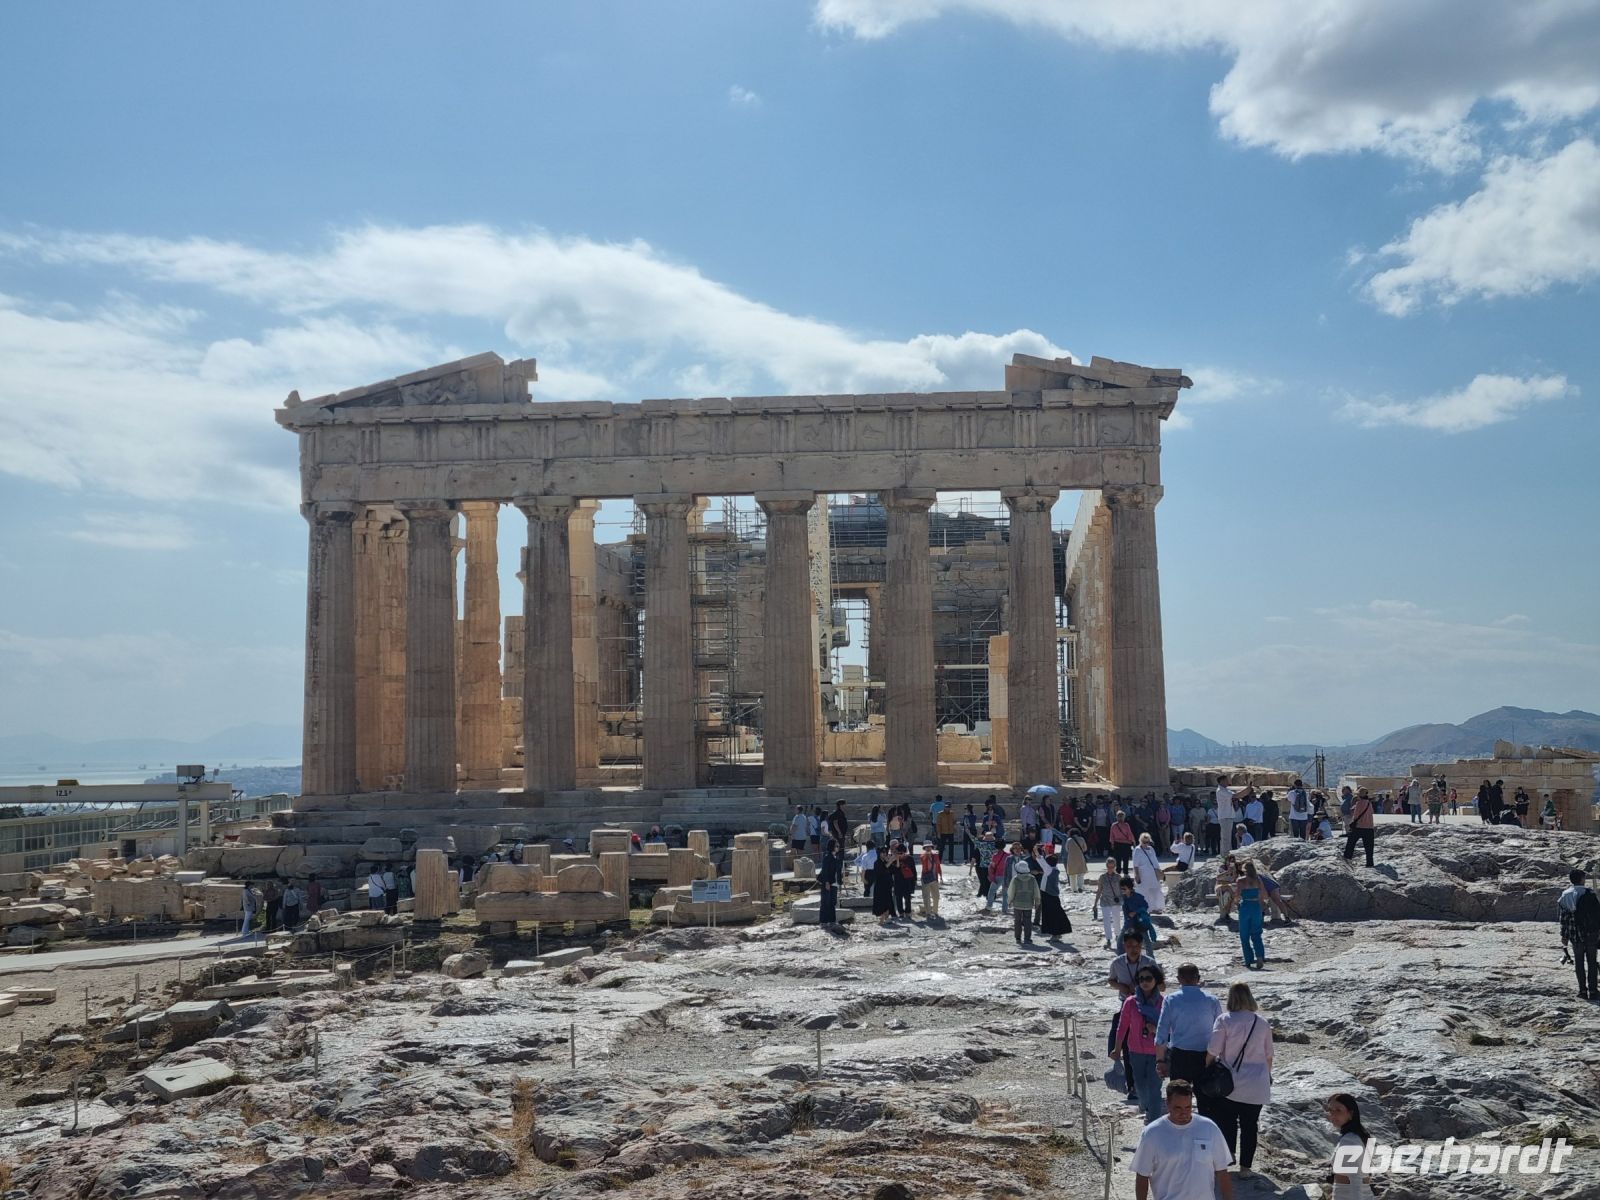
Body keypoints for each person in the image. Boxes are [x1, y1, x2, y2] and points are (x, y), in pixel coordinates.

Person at [1205, 982, 1273, 1178]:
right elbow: (1269, 1055)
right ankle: (1246, 1168)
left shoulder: (1224, 1020)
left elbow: (1213, 1050)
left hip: (1230, 1083)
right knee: (1250, 1125)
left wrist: (1207, 1069)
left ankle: (1229, 1156)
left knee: (1227, 1122)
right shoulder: (1261, 1022)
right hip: (1257, 1083)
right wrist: (1267, 1076)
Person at [1130, 1080, 1233, 1200]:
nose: (1184, 1113)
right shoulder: (1152, 1133)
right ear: (1167, 1103)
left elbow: (1222, 1171)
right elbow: (1142, 1176)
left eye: (1188, 1107)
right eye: (1178, 1108)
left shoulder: (1209, 1128)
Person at [1154, 963, 1223, 1119]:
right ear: (1198, 978)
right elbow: (1220, 1031)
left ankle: (1180, 1128)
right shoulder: (1212, 1000)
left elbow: (1162, 1032)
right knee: (1207, 1101)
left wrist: (1160, 1060)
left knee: (1179, 1098)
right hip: (1206, 1057)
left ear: (1179, 979)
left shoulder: (1171, 999)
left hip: (1180, 1057)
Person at [1108, 930, 1162, 1104]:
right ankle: (1132, 1086)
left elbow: (1161, 985)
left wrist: (1144, 987)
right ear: (1125, 946)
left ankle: (1152, 1085)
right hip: (1128, 1005)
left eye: (1137, 946)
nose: (1134, 949)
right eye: (1130, 946)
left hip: (1149, 1007)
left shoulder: (1149, 962)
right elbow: (1111, 980)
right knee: (1125, 1043)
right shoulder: (1117, 963)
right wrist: (1122, 987)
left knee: (1153, 1046)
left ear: (1141, 946)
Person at [1114, 962, 1167, 1123]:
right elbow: (1122, 1027)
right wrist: (1116, 1050)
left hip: (1157, 1052)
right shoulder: (1130, 1002)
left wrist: (1155, 1030)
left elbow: (1171, 1028)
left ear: (1156, 980)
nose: (1144, 981)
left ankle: (1153, 1123)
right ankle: (1146, 1107)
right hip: (1135, 1052)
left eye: (1148, 978)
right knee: (1140, 1088)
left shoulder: (1164, 1002)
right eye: (1141, 978)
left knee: (1154, 1089)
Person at [1559, 868, 1600, 999]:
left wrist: (1564, 936)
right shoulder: (1590, 893)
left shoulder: (1565, 895)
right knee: (1592, 961)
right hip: (1591, 933)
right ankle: (1593, 991)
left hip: (1574, 934)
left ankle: (1582, 990)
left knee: (1579, 962)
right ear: (1582, 879)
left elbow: (1563, 918)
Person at [1325, 1093, 1376, 1200]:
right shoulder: (1358, 1136)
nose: (1333, 1114)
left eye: (1338, 1110)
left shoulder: (1350, 1140)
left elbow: (1355, 1179)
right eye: (1330, 1110)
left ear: (1350, 1113)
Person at [1234, 862, 1267, 969]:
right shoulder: (1258, 880)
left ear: (1244, 870)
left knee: (1244, 935)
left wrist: (1236, 903)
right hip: (1256, 906)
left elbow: (1237, 896)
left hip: (1245, 906)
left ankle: (1248, 960)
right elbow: (1263, 895)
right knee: (1257, 933)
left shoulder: (1241, 880)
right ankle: (1260, 957)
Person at [1007, 854, 1041, 946]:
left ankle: (1018, 938)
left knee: (1017, 921)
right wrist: (1037, 901)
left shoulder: (1015, 879)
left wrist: (1009, 901)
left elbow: (1011, 891)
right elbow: (1036, 891)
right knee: (1028, 921)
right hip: (1028, 903)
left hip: (1017, 904)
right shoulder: (1032, 879)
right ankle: (1027, 938)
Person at [1038, 852, 1071, 938]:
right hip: (1054, 895)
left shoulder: (1048, 869)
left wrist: (1035, 850)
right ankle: (1056, 932)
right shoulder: (1055, 869)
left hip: (1047, 894)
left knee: (1050, 914)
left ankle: (1055, 933)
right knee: (1056, 913)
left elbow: (1040, 860)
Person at [1121, 876, 1161, 947]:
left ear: (1130, 888)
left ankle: (1150, 958)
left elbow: (1145, 906)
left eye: (1124, 888)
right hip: (1128, 924)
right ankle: (1124, 957)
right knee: (1121, 943)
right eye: (1121, 888)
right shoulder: (1123, 898)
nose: (1122, 890)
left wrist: (1135, 912)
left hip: (1139, 923)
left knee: (1147, 942)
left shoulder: (1138, 897)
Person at [1132, 832, 1166, 914]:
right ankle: (1144, 909)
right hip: (1143, 874)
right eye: (1144, 842)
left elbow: (1155, 862)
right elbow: (1135, 865)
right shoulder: (1137, 850)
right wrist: (1137, 875)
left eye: (1147, 842)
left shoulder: (1151, 849)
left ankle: (1156, 908)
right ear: (1140, 841)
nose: (1146, 844)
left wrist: (1159, 872)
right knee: (1143, 892)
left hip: (1153, 874)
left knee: (1155, 890)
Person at [1342, 787, 1376, 868]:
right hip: (1369, 827)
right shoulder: (1369, 803)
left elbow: (1355, 815)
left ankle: (1347, 858)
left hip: (1359, 827)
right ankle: (1369, 863)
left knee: (1350, 844)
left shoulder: (1358, 803)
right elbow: (1371, 812)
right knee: (1369, 848)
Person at [1094, 859, 1123, 950]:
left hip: (1116, 901)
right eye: (1109, 867)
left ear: (1115, 867)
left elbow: (1122, 889)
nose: (1110, 869)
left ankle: (1118, 937)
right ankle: (1108, 940)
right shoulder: (1102, 877)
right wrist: (1095, 903)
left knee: (1116, 920)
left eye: (1112, 867)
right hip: (1105, 901)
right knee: (1106, 921)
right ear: (1106, 867)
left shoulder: (1118, 877)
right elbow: (1099, 890)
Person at [818, 837, 841, 925]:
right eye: (836, 846)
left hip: (834, 883)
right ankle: (823, 921)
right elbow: (825, 870)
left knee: (832, 902)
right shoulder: (827, 857)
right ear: (832, 846)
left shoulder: (836, 857)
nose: (838, 847)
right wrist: (826, 882)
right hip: (827, 883)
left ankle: (832, 920)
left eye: (838, 846)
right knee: (825, 902)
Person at [918, 840, 943, 918]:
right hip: (926, 879)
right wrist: (927, 855)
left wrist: (941, 876)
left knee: (936, 896)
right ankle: (928, 913)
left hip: (934, 878)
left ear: (932, 847)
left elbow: (938, 866)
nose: (928, 848)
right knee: (926, 897)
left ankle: (935, 912)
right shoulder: (922, 855)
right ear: (924, 848)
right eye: (926, 847)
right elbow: (923, 860)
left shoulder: (935, 855)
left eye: (929, 847)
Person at [1214, 777, 1237, 859]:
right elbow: (1236, 795)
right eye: (1226, 780)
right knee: (1225, 838)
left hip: (1228, 816)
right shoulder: (1221, 791)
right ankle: (1225, 856)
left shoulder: (1226, 790)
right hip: (1225, 816)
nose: (1228, 781)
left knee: (1227, 837)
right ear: (1222, 781)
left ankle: (1226, 854)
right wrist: (1247, 789)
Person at [1213, 855, 1239, 922]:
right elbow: (1218, 878)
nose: (1231, 862)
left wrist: (1234, 872)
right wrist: (1227, 872)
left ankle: (1226, 912)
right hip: (1220, 886)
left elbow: (1234, 880)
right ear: (1226, 861)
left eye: (1232, 861)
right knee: (1229, 888)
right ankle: (1233, 901)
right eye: (1229, 860)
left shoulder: (1235, 869)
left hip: (1228, 887)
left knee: (1228, 894)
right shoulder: (1222, 868)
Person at [1064, 827, 1089, 891]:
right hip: (1080, 858)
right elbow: (1085, 848)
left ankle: (1074, 889)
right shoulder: (1081, 839)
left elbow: (1067, 849)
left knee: (1072, 875)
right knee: (1080, 873)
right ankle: (1080, 887)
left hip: (1071, 858)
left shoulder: (1069, 840)